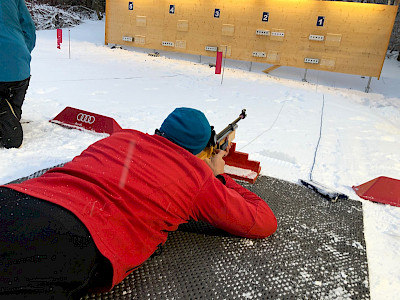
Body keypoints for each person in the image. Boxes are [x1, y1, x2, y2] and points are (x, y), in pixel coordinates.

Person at [0, 107, 277, 299]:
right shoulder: (197, 178)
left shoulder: (122, 137)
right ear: (203, 151)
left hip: (17, 197)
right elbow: (263, 221)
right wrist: (218, 176)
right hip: (72, 237)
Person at [0, 0, 36, 149]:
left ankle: (4, 113)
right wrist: (20, 53)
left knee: (7, 121)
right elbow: (30, 30)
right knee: (13, 115)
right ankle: (7, 116)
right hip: (19, 71)